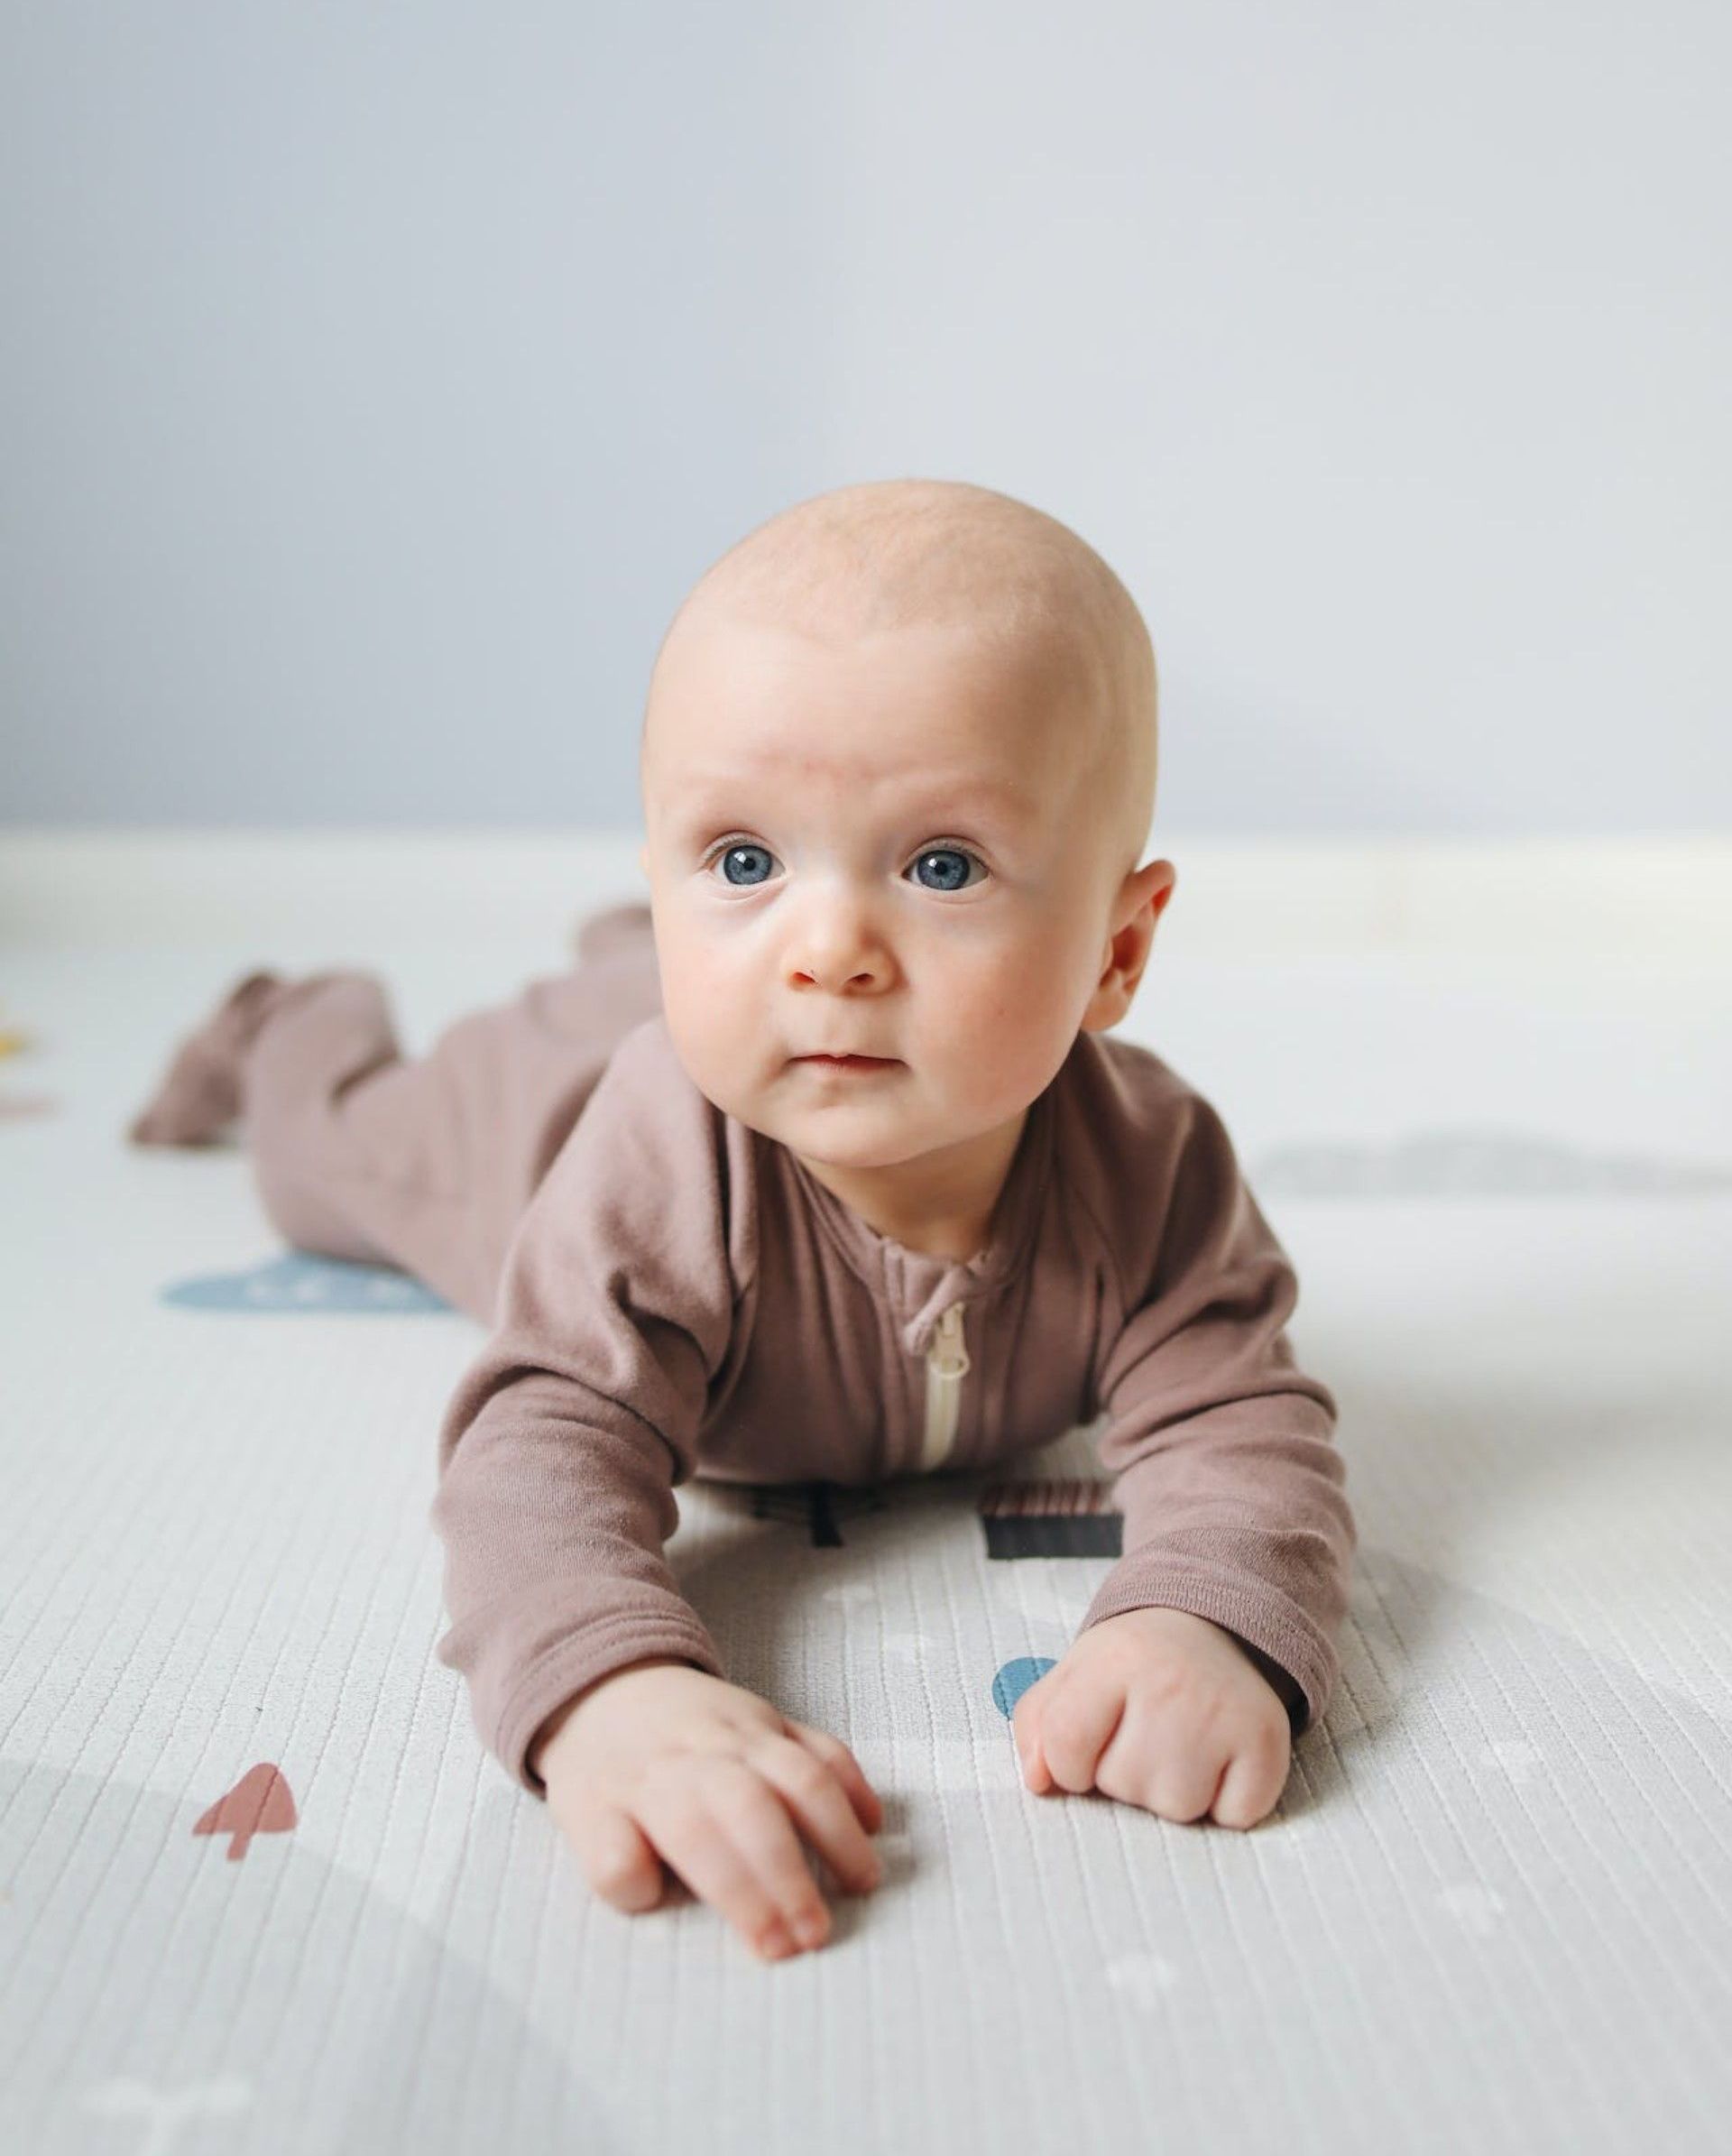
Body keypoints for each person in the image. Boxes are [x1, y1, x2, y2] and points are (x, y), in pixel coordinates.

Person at [129, 476, 1356, 1967]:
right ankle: (291, 1018)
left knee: (694, 988)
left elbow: (1243, 1420)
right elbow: (541, 1442)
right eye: (743, 860)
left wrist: (1205, 1623)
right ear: (668, 879)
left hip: (679, 1013)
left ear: (1118, 946)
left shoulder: (1148, 1167)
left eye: (943, 865)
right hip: (529, 1126)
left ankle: (634, 940)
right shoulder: (661, 1172)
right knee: (321, 1165)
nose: (830, 948)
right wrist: (612, 1690)